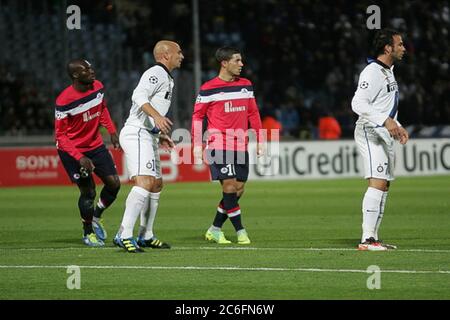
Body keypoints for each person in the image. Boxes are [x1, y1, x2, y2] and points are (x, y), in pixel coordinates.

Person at [114, 40, 183, 253]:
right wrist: (157, 117)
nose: (182, 55)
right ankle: (124, 234)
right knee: (145, 182)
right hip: (136, 133)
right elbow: (138, 96)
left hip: (148, 135)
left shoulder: (167, 77)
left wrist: (158, 133)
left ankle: (146, 235)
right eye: (178, 52)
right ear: (165, 55)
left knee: (156, 184)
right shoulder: (156, 72)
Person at [192, 46, 264, 245]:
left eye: (241, 61)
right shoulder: (208, 88)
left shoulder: (246, 85)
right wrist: (197, 144)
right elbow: (197, 117)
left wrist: (260, 139)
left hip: (240, 144)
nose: (241, 65)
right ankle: (241, 231)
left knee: (239, 189)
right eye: (237, 61)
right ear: (224, 63)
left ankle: (214, 229)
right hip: (218, 144)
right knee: (230, 186)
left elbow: (253, 113)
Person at [351, 29, 409, 251]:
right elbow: (358, 104)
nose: (403, 48)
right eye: (400, 44)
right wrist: (385, 121)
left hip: (383, 132)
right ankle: (366, 239)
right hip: (370, 131)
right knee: (377, 182)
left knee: (384, 185)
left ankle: (374, 237)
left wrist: (398, 125)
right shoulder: (372, 72)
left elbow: (385, 106)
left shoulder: (388, 71)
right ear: (388, 48)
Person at [55, 59, 121, 247]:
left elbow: (102, 110)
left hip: (95, 145)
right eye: (86, 69)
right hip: (73, 150)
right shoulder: (64, 101)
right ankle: (88, 233)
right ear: (76, 75)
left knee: (114, 184)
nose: (92, 71)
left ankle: (96, 216)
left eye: (91, 67)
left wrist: (112, 131)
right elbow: (60, 137)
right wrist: (79, 157)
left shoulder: (98, 87)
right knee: (89, 191)